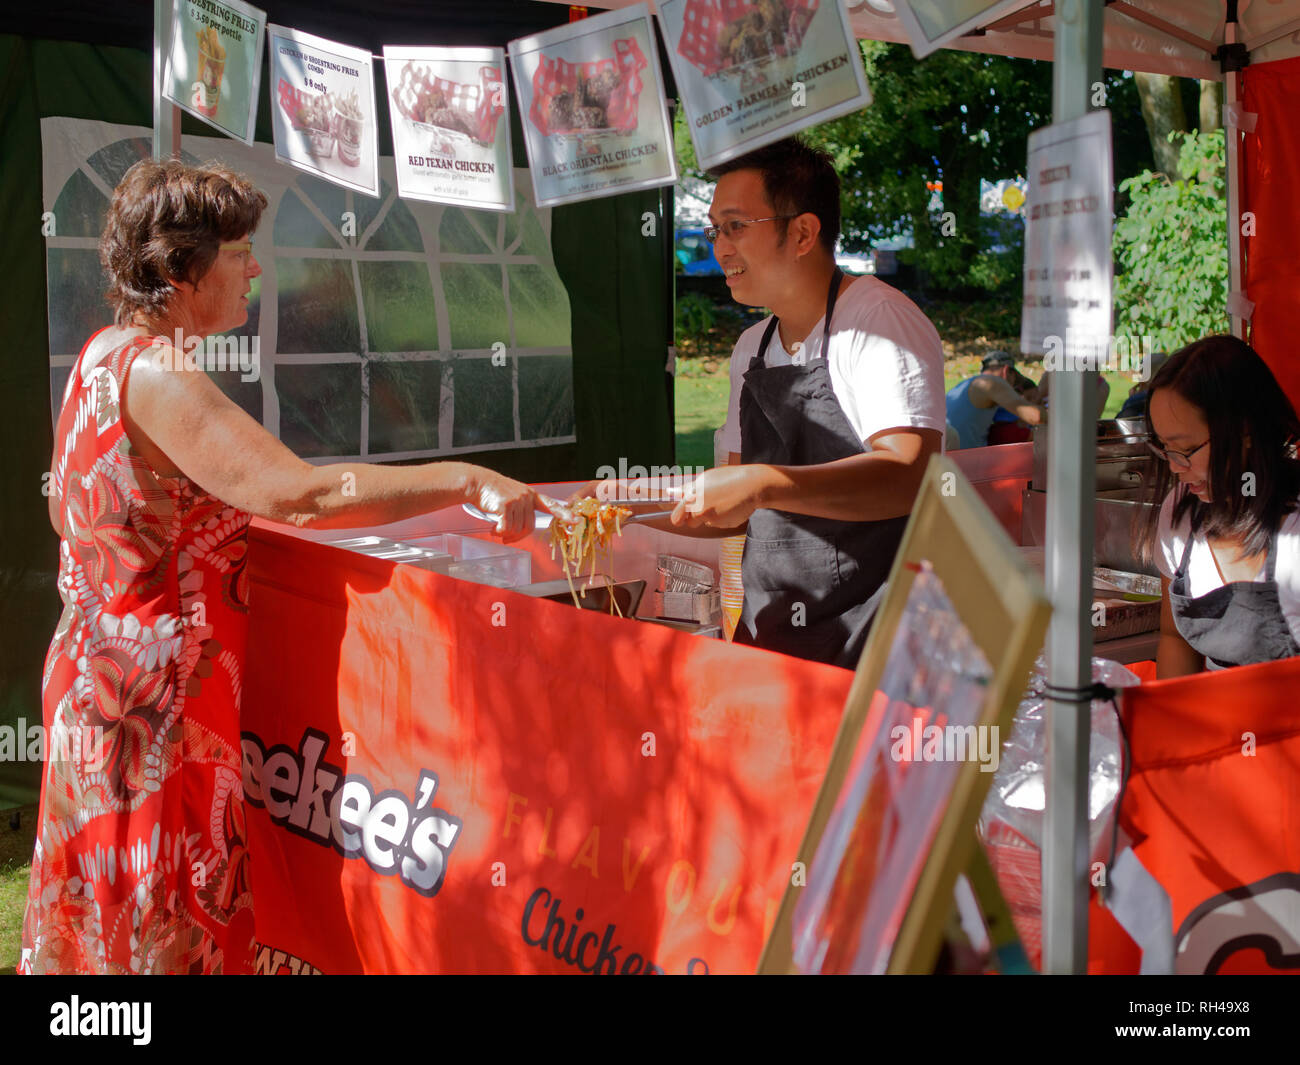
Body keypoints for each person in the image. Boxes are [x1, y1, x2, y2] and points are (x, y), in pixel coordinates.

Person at [24, 159, 556, 975]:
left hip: (103, 691)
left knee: (112, 930)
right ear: (178, 270)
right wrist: (467, 478)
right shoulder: (160, 373)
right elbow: (299, 492)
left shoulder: (104, 353)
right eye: (238, 251)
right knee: (160, 933)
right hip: (152, 716)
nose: (258, 269)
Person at [650, 138, 946, 668]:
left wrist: (761, 484)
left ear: (804, 232)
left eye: (737, 226)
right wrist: (618, 503)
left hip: (875, 647)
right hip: (775, 642)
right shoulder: (752, 347)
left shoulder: (877, 323)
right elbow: (731, 513)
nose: (719, 247)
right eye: (715, 229)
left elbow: (910, 475)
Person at [1138, 335, 1300, 678]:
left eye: (1186, 448)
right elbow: (1174, 638)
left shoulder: (1293, 531)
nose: (1174, 466)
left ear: (1245, 430)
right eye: (1164, 447)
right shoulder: (1180, 510)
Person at [945, 350, 1045, 449]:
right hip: (962, 460)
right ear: (1006, 371)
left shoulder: (965, 386)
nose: (1013, 389)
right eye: (1014, 384)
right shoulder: (992, 383)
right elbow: (1036, 416)